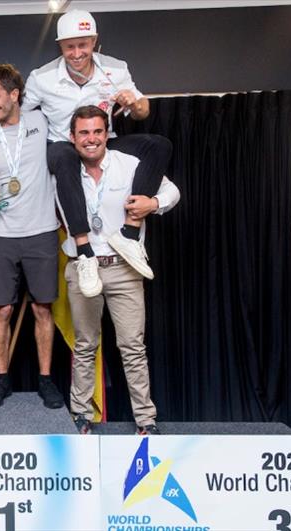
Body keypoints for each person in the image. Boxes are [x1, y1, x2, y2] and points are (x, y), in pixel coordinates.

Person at [0, 10, 172, 296]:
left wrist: (134, 103)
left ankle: (129, 233)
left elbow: (142, 110)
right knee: (63, 156)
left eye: (83, 45)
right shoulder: (42, 78)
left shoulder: (116, 69)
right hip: (64, 145)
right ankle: (85, 251)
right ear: (60, 46)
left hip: (102, 143)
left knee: (159, 145)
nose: (77, 53)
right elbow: (11, 110)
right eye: (70, 46)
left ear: (94, 41)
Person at [65, 106, 180, 435]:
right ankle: (81, 415)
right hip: (82, 267)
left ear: (107, 135)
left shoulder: (128, 164)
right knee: (85, 345)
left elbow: (171, 190)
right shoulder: (65, 171)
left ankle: (145, 420)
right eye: (84, 133)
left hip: (123, 267)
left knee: (132, 347)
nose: (91, 139)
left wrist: (153, 204)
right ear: (73, 138)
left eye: (97, 132)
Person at [0, 64, 64, 409]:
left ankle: (46, 380)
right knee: (1, 310)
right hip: (1, 235)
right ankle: (1, 379)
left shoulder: (41, 121)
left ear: (14, 95)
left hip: (42, 232)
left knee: (42, 309)